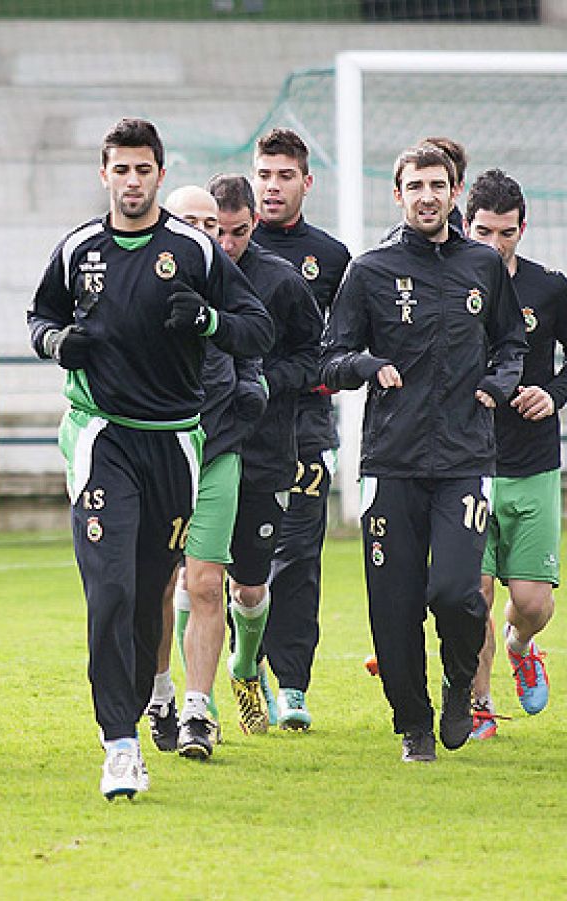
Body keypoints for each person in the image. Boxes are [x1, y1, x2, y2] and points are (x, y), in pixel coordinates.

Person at [27, 118, 272, 798]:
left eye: (143, 169)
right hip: (102, 436)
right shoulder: (78, 247)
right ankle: (120, 745)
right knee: (107, 590)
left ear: (160, 173)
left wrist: (210, 321)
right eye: (120, 169)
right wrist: (56, 343)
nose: (131, 181)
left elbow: (259, 327)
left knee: (144, 599)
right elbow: (39, 317)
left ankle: (140, 701)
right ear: (104, 174)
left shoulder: (194, 249)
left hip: (173, 442)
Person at [320, 143, 525, 763]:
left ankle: (460, 683)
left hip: (465, 457)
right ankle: (413, 723)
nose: (428, 196)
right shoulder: (369, 270)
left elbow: (511, 342)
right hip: (391, 462)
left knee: (458, 591)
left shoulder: (482, 266)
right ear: (398, 193)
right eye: (416, 186)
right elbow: (330, 356)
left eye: (439, 185)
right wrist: (366, 365)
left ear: (454, 191)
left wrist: (499, 383)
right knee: (394, 604)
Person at [462, 169, 567, 738]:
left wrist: (553, 393)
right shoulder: (448, 288)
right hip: (470, 464)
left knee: (532, 604)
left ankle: (522, 646)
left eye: (507, 234)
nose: (495, 245)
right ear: (464, 225)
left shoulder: (549, 288)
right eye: (484, 232)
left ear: (523, 229)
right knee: (477, 595)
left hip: (535, 463)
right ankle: (480, 707)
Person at [145, 184, 270, 759]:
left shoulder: (225, 288)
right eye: (190, 221)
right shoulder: (141, 282)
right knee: (153, 587)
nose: (206, 234)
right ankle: (160, 692)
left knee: (205, 583)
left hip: (216, 448)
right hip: (155, 450)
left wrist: (248, 398)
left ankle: (198, 708)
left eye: (212, 224)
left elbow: (256, 341)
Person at [207, 174, 323, 740]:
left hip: (266, 451)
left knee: (249, 586)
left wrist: (263, 383)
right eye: (217, 232)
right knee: (197, 578)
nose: (227, 245)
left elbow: (312, 358)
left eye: (238, 232)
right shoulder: (185, 273)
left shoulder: (280, 283)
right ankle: (191, 702)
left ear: (253, 224)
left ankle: (246, 665)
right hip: (200, 449)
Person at [249, 128, 351, 729]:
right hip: (234, 430)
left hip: (306, 429)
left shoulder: (331, 257)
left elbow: (338, 346)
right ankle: (243, 662)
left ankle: (291, 684)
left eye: (285, 176)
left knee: (299, 559)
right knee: (236, 559)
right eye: (264, 175)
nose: (273, 186)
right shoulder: (223, 246)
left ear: (306, 182)